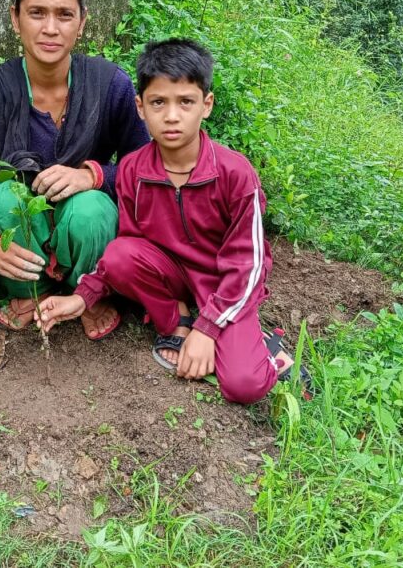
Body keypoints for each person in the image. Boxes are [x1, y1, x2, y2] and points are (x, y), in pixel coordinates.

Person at [36, 38, 308, 404]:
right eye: (159, 102)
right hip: (170, 274)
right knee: (120, 253)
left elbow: (249, 264)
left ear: (206, 105)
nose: (172, 116)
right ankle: (178, 320)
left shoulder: (234, 173)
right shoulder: (133, 169)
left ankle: (265, 347)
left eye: (186, 102)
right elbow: (127, 248)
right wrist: (82, 298)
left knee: (244, 384)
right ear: (141, 107)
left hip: (224, 281)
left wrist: (209, 329)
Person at [0, 0, 150, 339]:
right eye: (37, 13)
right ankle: (27, 292)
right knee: (3, 196)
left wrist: (93, 176)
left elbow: (147, 170)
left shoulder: (110, 86)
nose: (50, 28)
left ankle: (89, 291)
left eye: (65, 15)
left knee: (92, 209)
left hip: (84, 229)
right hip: (23, 237)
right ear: (15, 18)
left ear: (81, 22)